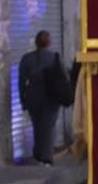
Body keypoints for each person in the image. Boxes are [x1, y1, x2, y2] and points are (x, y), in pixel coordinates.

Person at [17, 29, 71, 165]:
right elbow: (63, 77)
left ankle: (39, 154)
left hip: (33, 99)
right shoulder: (54, 58)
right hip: (51, 99)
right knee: (48, 126)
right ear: (49, 43)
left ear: (36, 42)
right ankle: (46, 157)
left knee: (38, 126)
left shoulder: (26, 59)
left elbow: (21, 81)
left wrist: (23, 100)